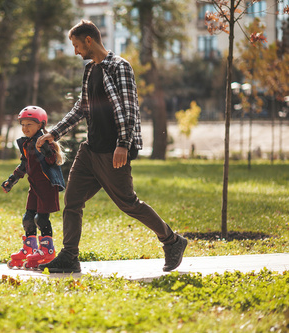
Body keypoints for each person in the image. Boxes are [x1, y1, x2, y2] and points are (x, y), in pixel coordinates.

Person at [36, 20, 187, 273]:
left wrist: (123, 145)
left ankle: (172, 241)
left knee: (128, 203)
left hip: (113, 149)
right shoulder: (89, 71)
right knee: (72, 201)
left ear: (88, 40)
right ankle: (70, 256)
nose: (75, 52)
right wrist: (54, 133)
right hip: (91, 149)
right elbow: (81, 108)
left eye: (76, 45)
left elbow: (129, 109)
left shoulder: (120, 67)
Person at [2, 106, 66, 269]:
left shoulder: (44, 142)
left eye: (29, 124)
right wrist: (12, 180)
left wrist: (46, 151)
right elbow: (24, 164)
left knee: (41, 219)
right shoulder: (27, 143)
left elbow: (52, 161)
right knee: (28, 218)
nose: (25, 128)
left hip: (46, 186)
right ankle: (29, 248)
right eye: (23, 124)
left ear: (40, 125)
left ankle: (47, 251)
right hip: (34, 186)